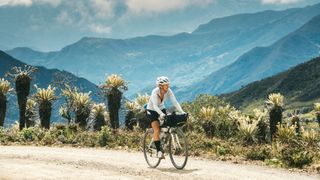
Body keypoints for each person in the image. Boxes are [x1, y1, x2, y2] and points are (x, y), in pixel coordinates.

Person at [146, 76, 186, 159]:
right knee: (157, 129)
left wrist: (182, 112)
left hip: (161, 108)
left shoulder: (169, 91)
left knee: (167, 125)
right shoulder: (155, 92)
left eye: (168, 85)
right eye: (166, 85)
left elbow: (175, 102)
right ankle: (158, 151)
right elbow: (155, 106)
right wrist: (161, 114)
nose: (168, 86)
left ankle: (163, 140)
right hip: (152, 110)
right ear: (161, 86)